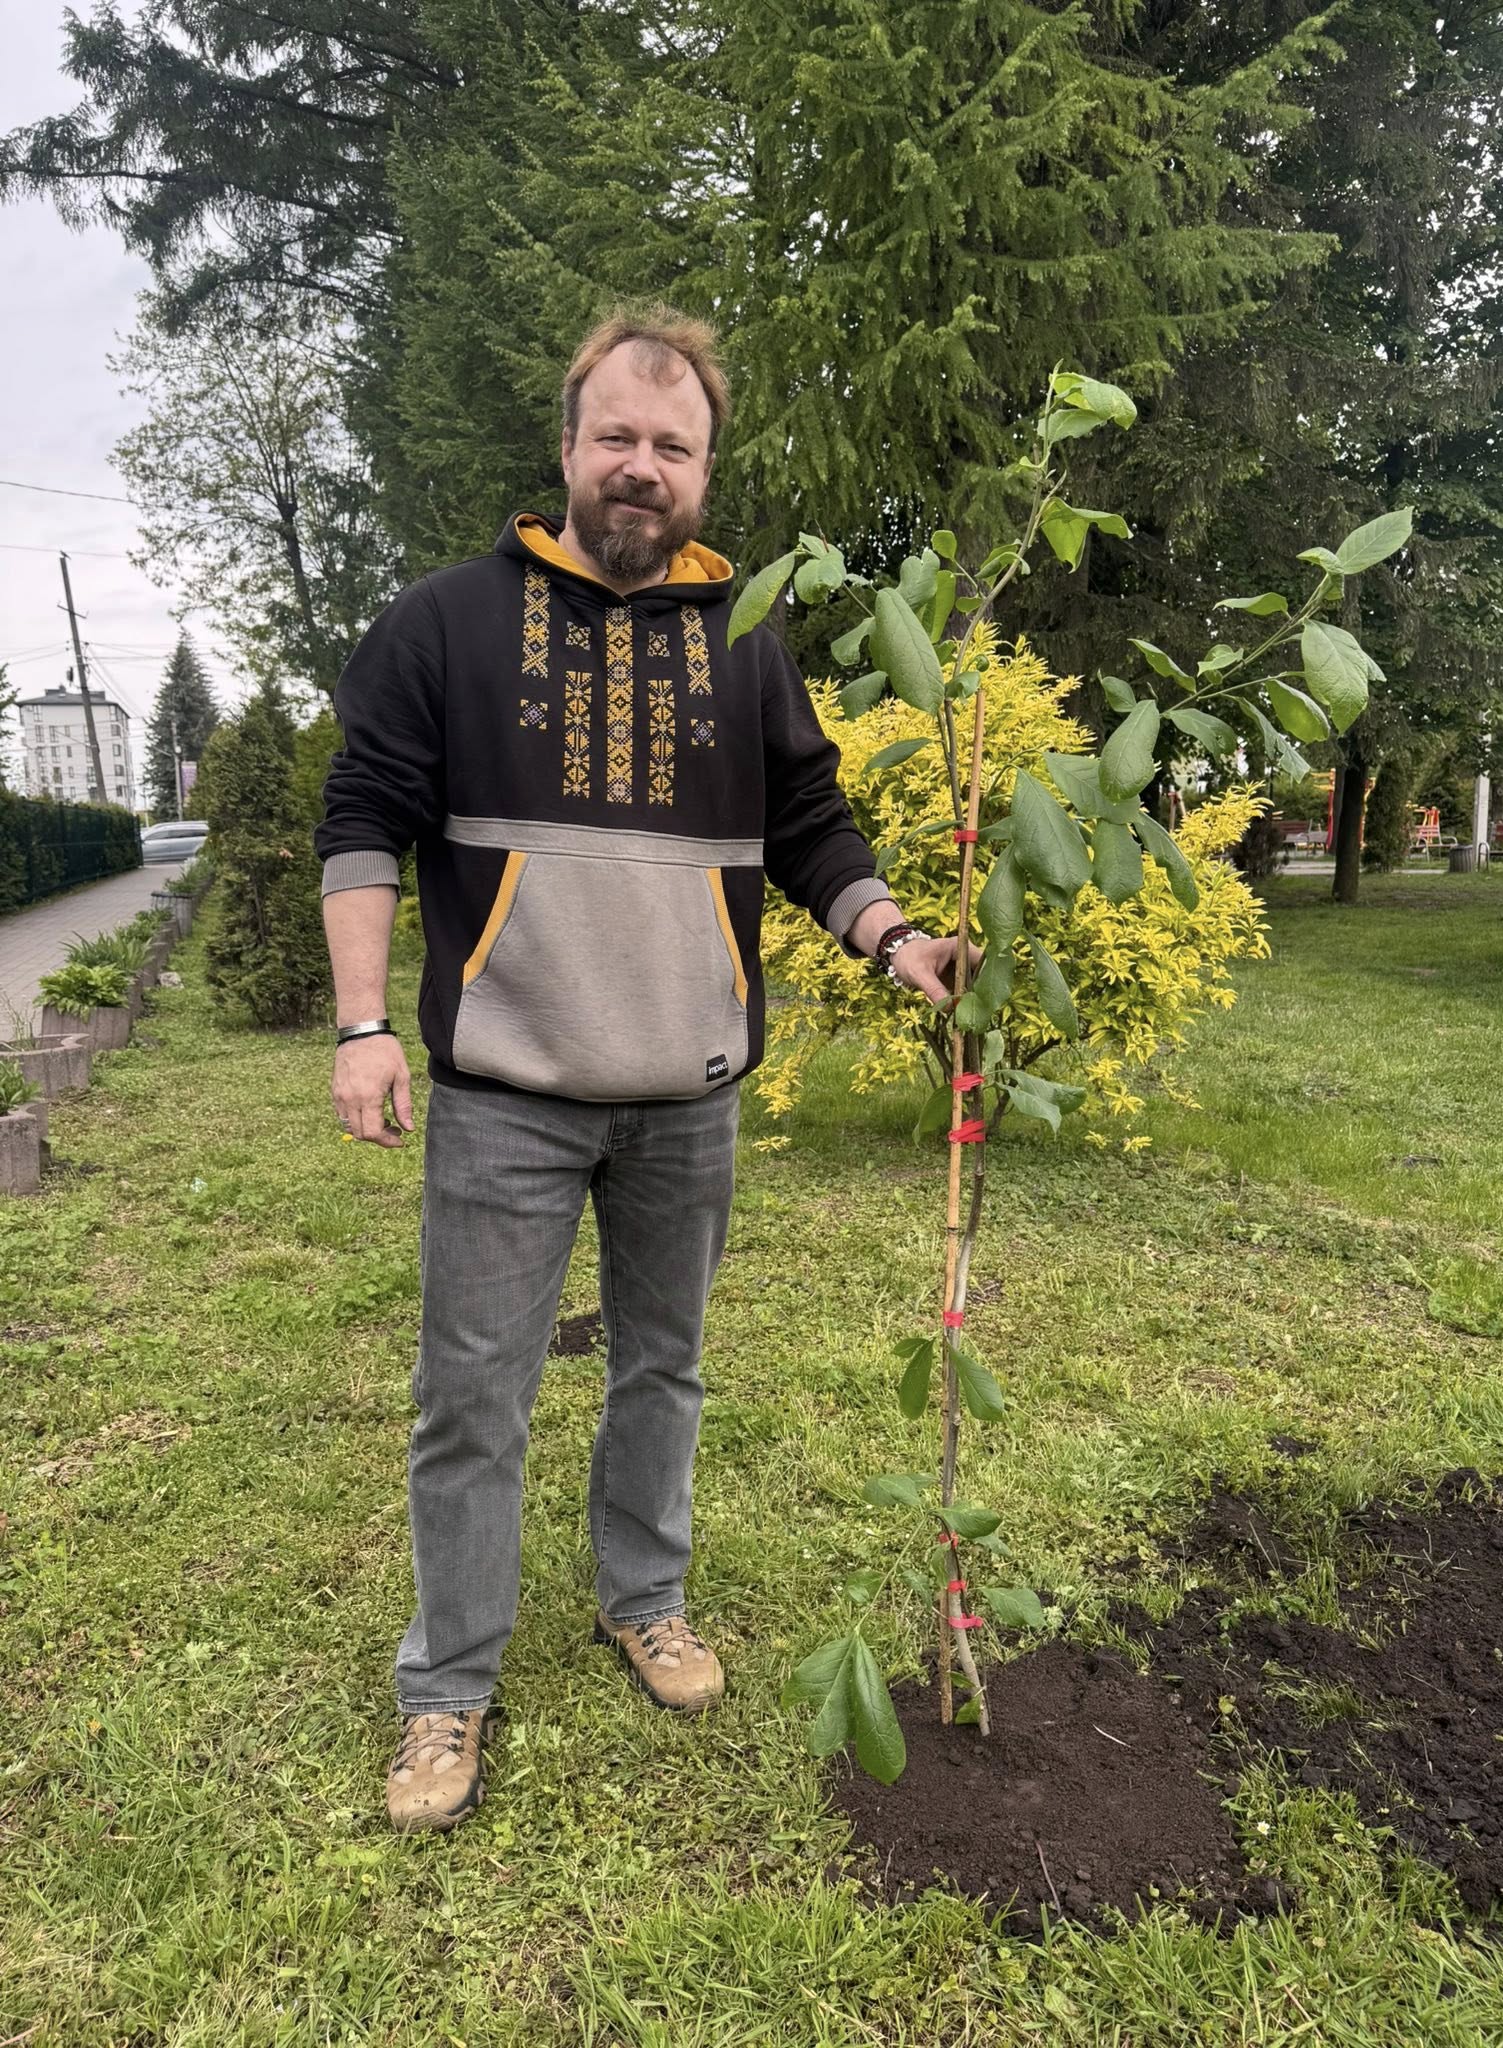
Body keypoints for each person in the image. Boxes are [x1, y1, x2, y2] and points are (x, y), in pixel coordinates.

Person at [316, 305, 969, 1833]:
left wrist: (894, 937)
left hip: (689, 1098)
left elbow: (810, 826)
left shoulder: (747, 642)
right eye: (616, 435)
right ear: (567, 447)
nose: (641, 466)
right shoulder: (443, 624)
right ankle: (446, 1685)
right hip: (506, 1099)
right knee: (472, 1397)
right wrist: (359, 1025)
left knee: (663, 1368)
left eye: (673, 446)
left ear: (703, 473)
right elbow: (361, 819)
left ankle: (645, 1599)